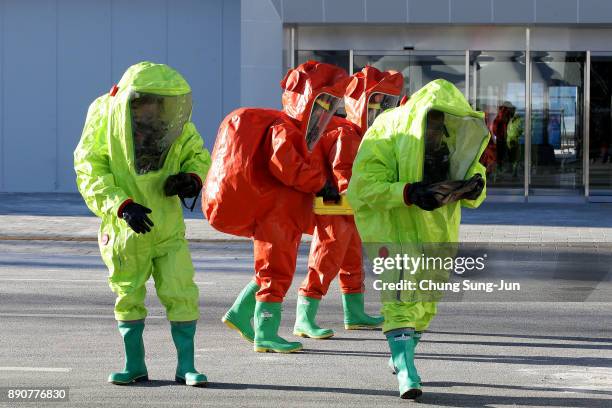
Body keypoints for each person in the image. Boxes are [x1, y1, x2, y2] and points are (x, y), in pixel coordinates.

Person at [347, 79, 489, 399]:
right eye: (433, 124)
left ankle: (402, 355)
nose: (437, 132)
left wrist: (475, 188)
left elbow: (472, 173)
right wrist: (408, 192)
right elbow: (362, 187)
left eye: (441, 125)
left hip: (439, 232)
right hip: (395, 229)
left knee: (426, 304)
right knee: (399, 300)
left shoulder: (452, 140)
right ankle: (407, 371)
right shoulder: (388, 129)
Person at [74, 62, 210, 386]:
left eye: (156, 103)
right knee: (128, 294)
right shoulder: (105, 119)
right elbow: (90, 169)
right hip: (126, 230)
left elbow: (196, 153)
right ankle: (134, 364)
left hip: (167, 226)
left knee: (181, 291)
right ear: (132, 101)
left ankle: (186, 367)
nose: (151, 110)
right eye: (146, 102)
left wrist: (192, 179)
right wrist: (121, 206)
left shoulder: (172, 123)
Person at [204, 61, 350, 353]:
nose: (327, 111)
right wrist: (322, 184)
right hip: (278, 215)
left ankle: (240, 314)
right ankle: (266, 333)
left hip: (284, 213)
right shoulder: (285, 129)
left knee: (269, 270)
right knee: (275, 271)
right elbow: (287, 166)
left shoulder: (296, 129)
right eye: (323, 102)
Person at [293, 67, 404, 339]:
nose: (380, 112)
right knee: (326, 258)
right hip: (335, 204)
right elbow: (343, 173)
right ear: (361, 104)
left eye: (385, 104)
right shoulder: (347, 135)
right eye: (376, 104)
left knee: (352, 259)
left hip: (350, 206)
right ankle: (303, 318)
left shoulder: (363, 137)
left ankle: (354, 313)